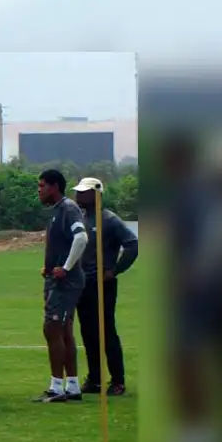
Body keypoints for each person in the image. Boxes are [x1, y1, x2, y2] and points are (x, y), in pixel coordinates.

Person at [71, 177, 139, 396]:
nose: (78, 196)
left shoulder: (109, 219)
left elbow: (132, 244)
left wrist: (114, 270)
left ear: (96, 195)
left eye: (83, 193)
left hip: (102, 284)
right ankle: (95, 379)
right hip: (82, 284)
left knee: (107, 331)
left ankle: (117, 381)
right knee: (88, 332)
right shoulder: (80, 217)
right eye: (78, 192)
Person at [36, 169, 88, 403]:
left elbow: (81, 238)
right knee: (64, 330)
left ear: (54, 186)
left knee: (52, 329)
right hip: (57, 279)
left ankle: (57, 387)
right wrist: (50, 266)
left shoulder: (68, 208)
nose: (39, 190)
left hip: (65, 282)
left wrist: (65, 268)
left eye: (42, 186)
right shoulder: (58, 210)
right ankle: (73, 386)